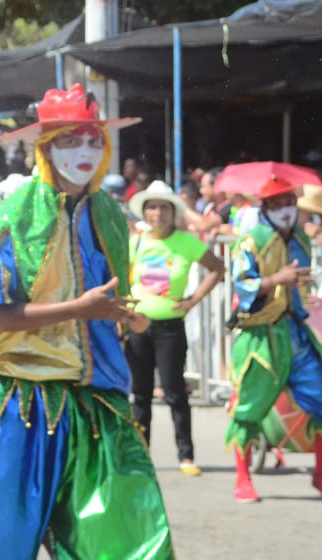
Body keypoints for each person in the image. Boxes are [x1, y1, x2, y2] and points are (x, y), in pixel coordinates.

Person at [0, 85, 172, 560]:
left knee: (130, 544)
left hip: (97, 401)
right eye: (70, 141)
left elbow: (105, 302)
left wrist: (127, 318)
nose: (84, 152)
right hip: (22, 400)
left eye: (92, 140)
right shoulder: (12, 217)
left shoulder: (109, 214)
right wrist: (77, 310)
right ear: (46, 149)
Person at [224, 176, 322, 504]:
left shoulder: (301, 242)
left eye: (290, 203)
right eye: (278, 204)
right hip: (260, 336)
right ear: (265, 208)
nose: (286, 210)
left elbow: (301, 288)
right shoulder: (251, 240)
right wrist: (278, 279)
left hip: (295, 332)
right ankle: (243, 478)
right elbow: (242, 285)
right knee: (249, 409)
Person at [124, 179, 225, 477]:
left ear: (173, 211)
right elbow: (120, 273)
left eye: (163, 207)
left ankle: (186, 455)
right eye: (152, 207)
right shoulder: (137, 242)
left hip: (170, 326)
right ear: (145, 212)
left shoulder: (187, 242)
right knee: (140, 394)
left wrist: (194, 299)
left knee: (175, 392)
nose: (157, 213)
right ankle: (142, 454)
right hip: (138, 325)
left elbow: (218, 268)